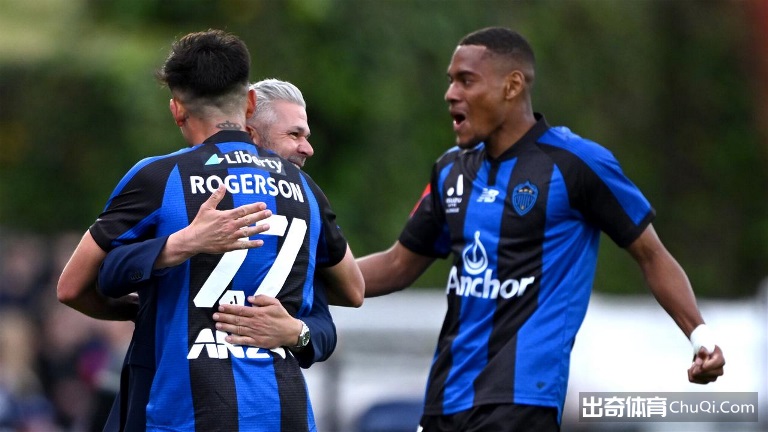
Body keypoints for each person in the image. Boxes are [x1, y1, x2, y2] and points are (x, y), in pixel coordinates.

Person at [356, 27, 725, 431]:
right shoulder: (451, 170)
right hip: (444, 398)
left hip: (522, 402)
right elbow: (397, 265)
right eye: (450, 81)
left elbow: (651, 255)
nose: (451, 93)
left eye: (466, 80)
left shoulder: (577, 164)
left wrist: (700, 339)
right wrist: (312, 276)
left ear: (512, 86)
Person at [57, 29, 364, 432]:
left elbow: (72, 287)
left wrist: (160, 280)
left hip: (185, 415)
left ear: (176, 110)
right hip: (283, 413)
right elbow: (353, 290)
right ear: (250, 103)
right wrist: (297, 332)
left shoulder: (159, 177)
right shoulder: (306, 190)